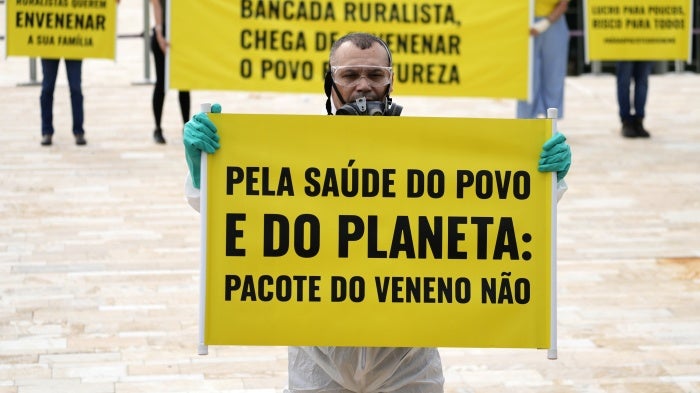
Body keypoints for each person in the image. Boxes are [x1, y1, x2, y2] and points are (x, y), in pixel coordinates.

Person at [182, 33, 572, 393]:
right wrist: (208, 173)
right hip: (319, 364)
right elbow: (242, 217)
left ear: (391, 81)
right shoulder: (294, 156)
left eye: (375, 74)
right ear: (329, 83)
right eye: (349, 74)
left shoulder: (428, 156)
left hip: (407, 365)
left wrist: (544, 180)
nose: (363, 85)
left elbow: (497, 215)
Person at [517, 0, 570, 119]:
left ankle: (552, 121)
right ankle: (525, 119)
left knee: (553, 75)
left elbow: (563, 4)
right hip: (525, 24)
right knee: (528, 77)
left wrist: (544, 23)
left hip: (553, 22)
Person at [150, 0, 190, 144]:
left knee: (184, 84)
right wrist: (160, 33)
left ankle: (186, 127)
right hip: (165, 33)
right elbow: (155, 3)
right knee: (161, 83)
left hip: (182, 33)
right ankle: (158, 128)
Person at [39, 58, 86, 146]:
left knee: (76, 89)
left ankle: (79, 131)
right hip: (50, 49)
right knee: (47, 89)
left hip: (73, 49)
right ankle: (46, 131)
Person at [616, 61, 654, 138]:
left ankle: (638, 121)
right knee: (624, 82)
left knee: (642, 82)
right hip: (624, 51)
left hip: (645, 51)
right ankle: (626, 121)